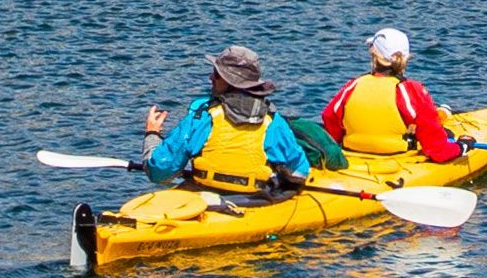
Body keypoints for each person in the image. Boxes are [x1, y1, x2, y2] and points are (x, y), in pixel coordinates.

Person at [141, 45, 327, 195]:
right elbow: (299, 171)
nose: (210, 78)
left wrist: (152, 134)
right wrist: (278, 181)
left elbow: (159, 172)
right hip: (254, 200)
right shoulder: (272, 120)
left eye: (216, 74)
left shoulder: (202, 117)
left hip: (205, 196)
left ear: (228, 81)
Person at [322, 26, 466, 165]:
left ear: (374, 55)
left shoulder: (352, 86)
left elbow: (330, 120)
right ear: (406, 58)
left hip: (352, 156)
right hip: (397, 160)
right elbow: (437, 151)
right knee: (446, 134)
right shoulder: (411, 91)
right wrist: (461, 147)